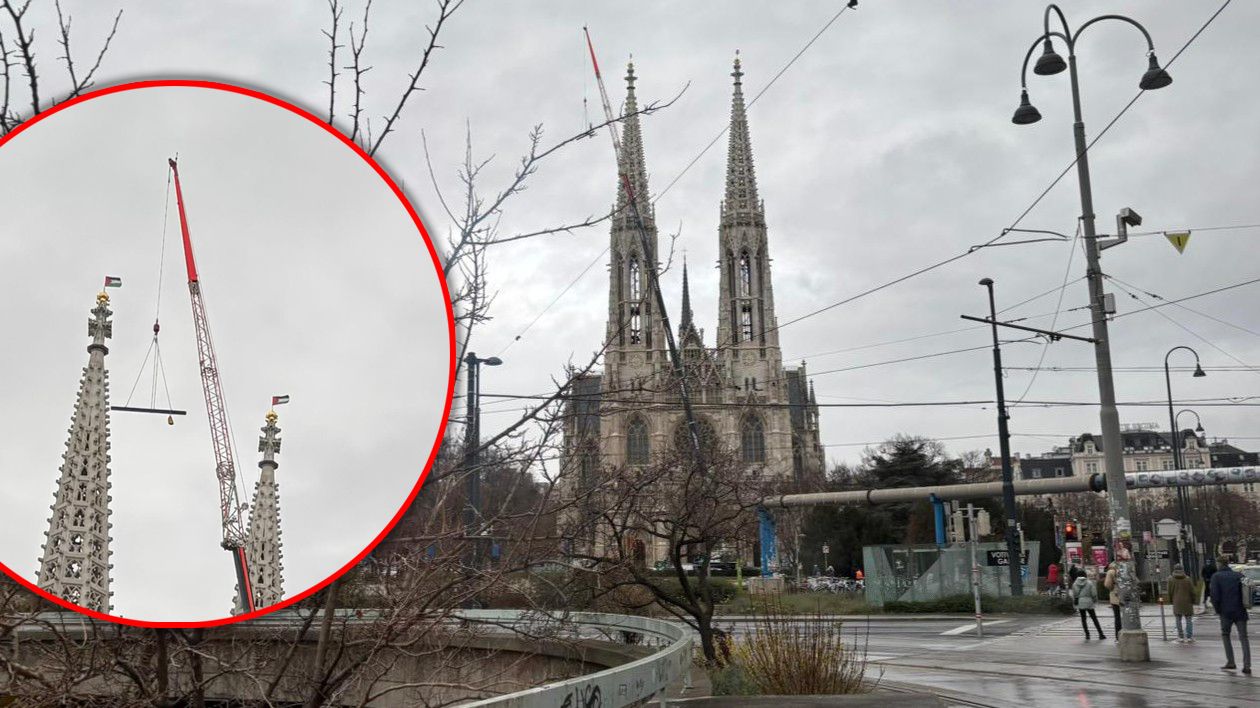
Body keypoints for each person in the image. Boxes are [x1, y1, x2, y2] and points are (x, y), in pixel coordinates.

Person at [1209, 555, 1251, 674]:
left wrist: (1218, 610)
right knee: (1244, 638)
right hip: (1240, 611)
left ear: (1219, 564)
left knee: (1225, 635)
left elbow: (1215, 596)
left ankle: (1231, 662)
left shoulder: (1216, 577)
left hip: (1225, 612)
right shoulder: (1238, 575)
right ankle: (1247, 665)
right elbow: (1247, 590)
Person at [1071, 568, 1105, 640]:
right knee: (1094, 618)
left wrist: (1076, 602)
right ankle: (1101, 634)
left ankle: (1087, 635)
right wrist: (1094, 600)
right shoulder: (1089, 583)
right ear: (1085, 575)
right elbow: (1094, 594)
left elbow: (1074, 595)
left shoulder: (1074, 584)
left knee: (1083, 619)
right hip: (1089, 602)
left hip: (1080, 602)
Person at [1168, 564, 1196, 643]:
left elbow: (1169, 592)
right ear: (1182, 569)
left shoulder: (1170, 579)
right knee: (1189, 619)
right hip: (1187, 602)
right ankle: (1189, 636)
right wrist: (1193, 600)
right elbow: (1192, 591)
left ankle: (1180, 636)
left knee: (1178, 619)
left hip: (1176, 601)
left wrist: (1171, 600)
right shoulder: (1187, 579)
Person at [1104, 562, 1122, 642]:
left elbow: (1107, 584)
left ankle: (1118, 637)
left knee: (1117, 617)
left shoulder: (1111, 571)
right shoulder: (1125, 569)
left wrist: (1112, 588)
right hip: (1126, 594)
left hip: (1115, 595)